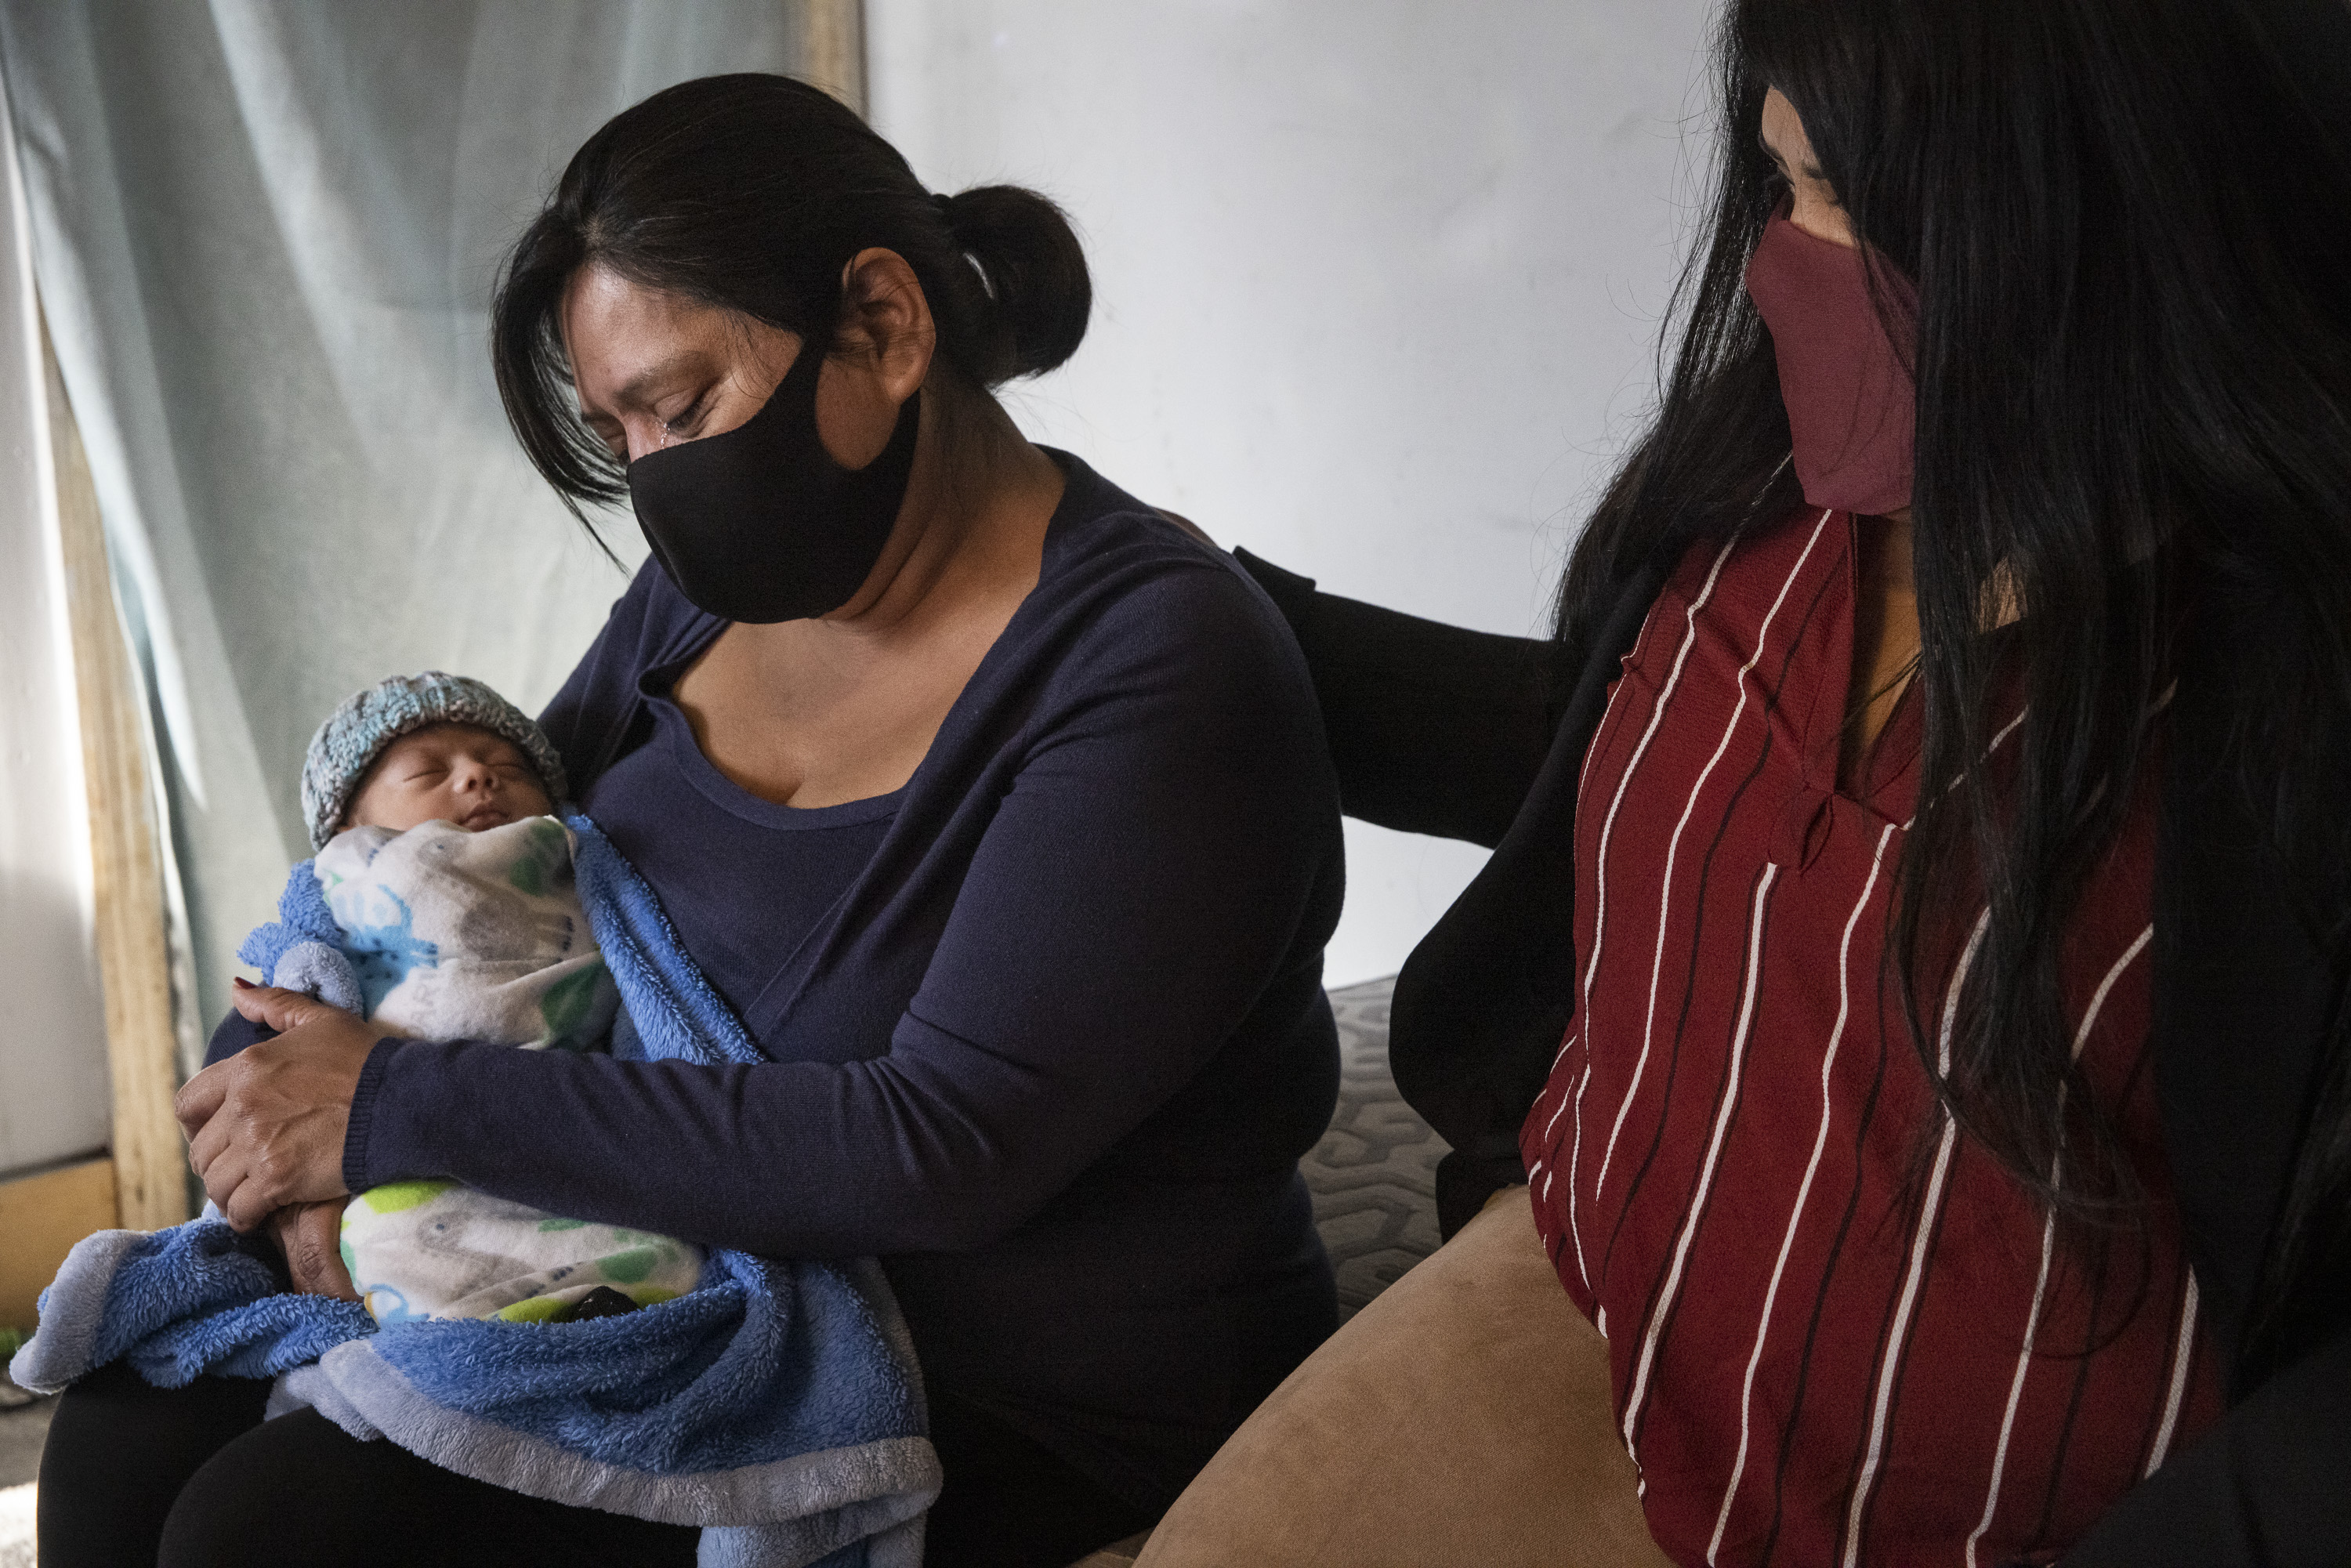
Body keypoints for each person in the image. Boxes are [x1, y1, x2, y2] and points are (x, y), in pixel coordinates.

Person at [42, 74, 1344, 1568]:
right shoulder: (701, 602)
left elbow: (940, 1147)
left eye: (680, 405)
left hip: (983, 1388)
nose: (661, 482)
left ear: (883, 324)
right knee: (127, 1419)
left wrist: (390, 1109)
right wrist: (280, 1104)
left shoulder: (1153, 666)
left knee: (272, 1534)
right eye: (621, 433)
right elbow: (468, 870)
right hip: (659, 1282)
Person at [1146, 0, 2351, 1563]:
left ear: (2069, 216)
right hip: (1581, 1299)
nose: (1782, 256)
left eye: (1836, 198)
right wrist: (1213, 624)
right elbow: (1630, 781)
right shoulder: (1761, 485)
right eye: (1775, 187)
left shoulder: (2282, 709)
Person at [242, 671, 703, 1327]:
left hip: (575, 1128)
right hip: (405, 1156)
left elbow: (654, 992)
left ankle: (603, 1309)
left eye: (506, 766)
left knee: (647, 1242)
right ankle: (465, 1329)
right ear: (350, 823)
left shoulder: (587, 859)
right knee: (397, 1238)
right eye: (429, 772)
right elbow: (287, 1015)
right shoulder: (339, 891)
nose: (478, 778)